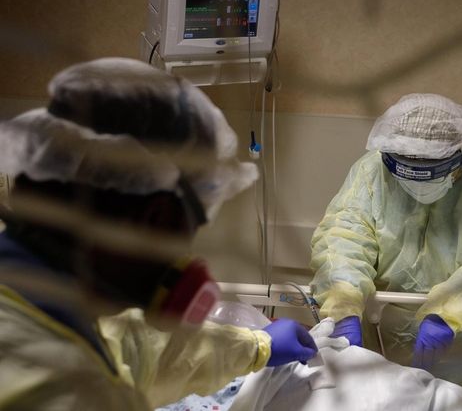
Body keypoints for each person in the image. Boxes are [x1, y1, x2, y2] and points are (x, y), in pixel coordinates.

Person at [0, 58, 317, 410]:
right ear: (154, 220)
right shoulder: (63, 390)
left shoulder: (52, 298)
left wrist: (257, 347)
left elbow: (141, 348)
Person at [309, 93, 462, 407]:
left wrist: (451, 312)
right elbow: (342, 237)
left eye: (433, 171)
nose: (419, 182)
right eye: (408, 171)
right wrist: (343, 302)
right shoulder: (372, 172)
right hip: (384, 333)